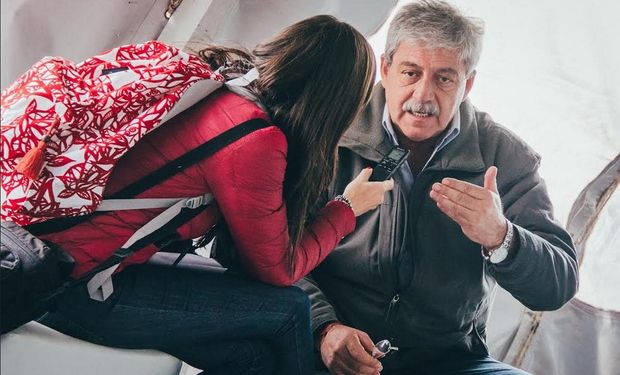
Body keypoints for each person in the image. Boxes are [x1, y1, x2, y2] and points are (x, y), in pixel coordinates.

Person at [37, 15, 393, 375]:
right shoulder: (254, 138)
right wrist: (347, 208)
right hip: (75, 287)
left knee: (255, 357)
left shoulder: (227, 88)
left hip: (63, 261)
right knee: (290, 308)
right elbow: (279, 269)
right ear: (334, 102)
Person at [297, 2, 579, 375]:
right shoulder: (331, 130)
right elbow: (270, 248)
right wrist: (323, 329)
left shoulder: (505, 155)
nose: (423, 95)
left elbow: (558, 284)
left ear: (469, 84)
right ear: (385, 68)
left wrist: (501, 237)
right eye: (411, 73)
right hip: (325, 347)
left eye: (444, 78)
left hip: (447, 360)